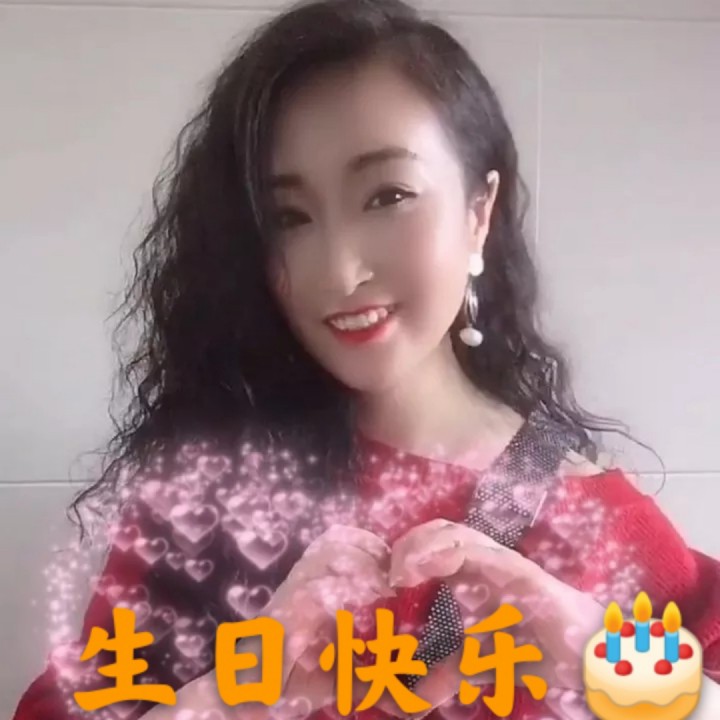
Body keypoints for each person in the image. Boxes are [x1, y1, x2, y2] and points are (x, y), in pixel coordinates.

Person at [12, 0, 720, 718]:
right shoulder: (206, 502)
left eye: (388, 196)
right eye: (289, 217)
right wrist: (235, 693)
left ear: (480, 212)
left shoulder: (596, 522)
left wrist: (615, 668)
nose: (340, 271)